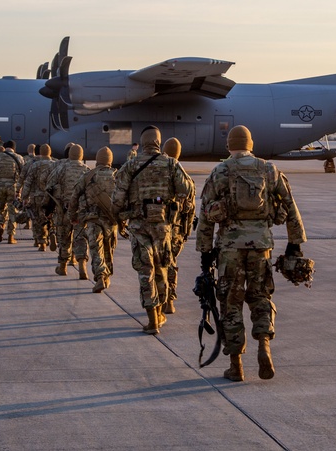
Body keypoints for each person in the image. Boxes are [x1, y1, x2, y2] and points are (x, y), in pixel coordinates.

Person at [196, 125, 307, 382]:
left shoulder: (221, 170)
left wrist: (204, 252)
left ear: (228, 146)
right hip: (261, 246)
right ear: (251, 144)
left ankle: (236, 366)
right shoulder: (269, 169)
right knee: (260, 297)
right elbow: (290, 206)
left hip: (230, 249)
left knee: (230, 304)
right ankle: (264, 347)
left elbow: (205, 216)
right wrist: (295, 243)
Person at [112, 126, 190, 335]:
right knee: (162, 267)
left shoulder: (130, 165)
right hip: (162, 225)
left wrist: (119, 219)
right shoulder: (171, 164)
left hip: (138, 224)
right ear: (158, 141)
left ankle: (152, 319)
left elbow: (118, 198)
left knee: (145, 271)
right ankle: (163, 308)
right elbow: (185, 190)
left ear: (142, 141)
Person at [70, 146, 118, 292]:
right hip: (111, 221)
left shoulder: (88, 176)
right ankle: (107, 276)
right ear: (110, 160)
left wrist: (72, 215)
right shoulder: (118, 176)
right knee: (109, 250)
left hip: (93, 219)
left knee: (96, 250)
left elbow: (74, 196)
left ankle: (101, 276)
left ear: (97, 160)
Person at [161, 137, 196, 314]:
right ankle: (170, 300)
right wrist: (186, 231)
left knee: (156, 264)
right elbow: (191, 210)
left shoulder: (159, 173)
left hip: (159, 226)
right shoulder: (186, 178)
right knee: (171, 262)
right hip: (177, 230)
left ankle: (158, 298)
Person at [46, 144, 89, 275]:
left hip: (64, 208)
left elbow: (49, 185)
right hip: (81, 210)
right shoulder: (86, 170)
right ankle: (81, 263)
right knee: (81, 237)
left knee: (64, 237)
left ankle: (63, 266)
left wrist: (49, 206)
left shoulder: (62, 168)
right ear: (81, 155)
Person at [20, 144, 57, 251]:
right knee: (50, 216)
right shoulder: (55, 165)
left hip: (37, 196)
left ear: (40, 152)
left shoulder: (35, 165)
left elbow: (28, 181)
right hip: (51, 197)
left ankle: (41, 242)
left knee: (37, 220)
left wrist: (24, 196)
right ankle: (51, 232)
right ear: (50, 152)